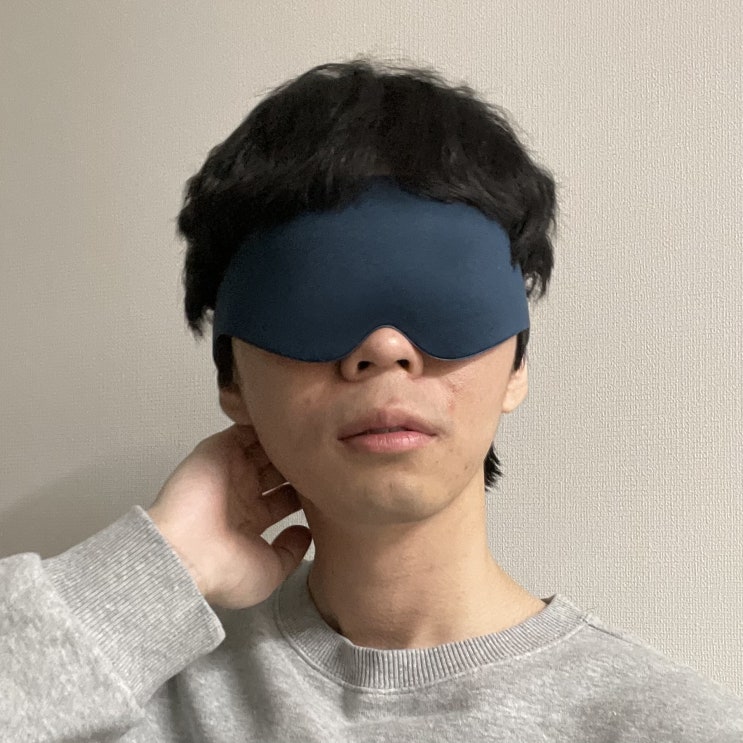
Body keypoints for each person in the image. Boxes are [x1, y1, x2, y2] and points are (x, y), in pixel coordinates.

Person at [2, 56, 741, 742]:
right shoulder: (124, 692)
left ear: (516, 365)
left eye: (445, 290)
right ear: (232, 381)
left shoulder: (668, 727)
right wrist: (160, 572)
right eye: (310, 294)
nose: (385, 348)